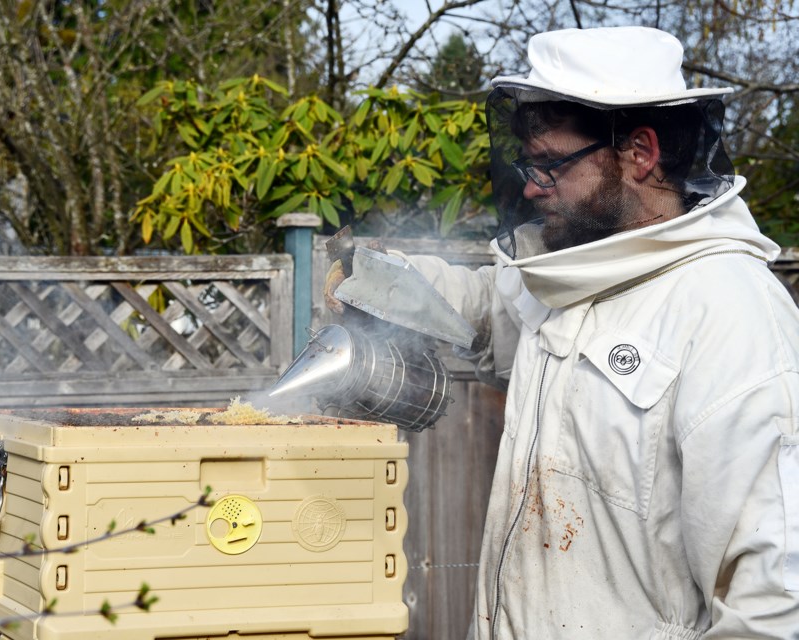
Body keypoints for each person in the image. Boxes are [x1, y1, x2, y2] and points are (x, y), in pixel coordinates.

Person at [324, 26, 799, 639]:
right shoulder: (578, 272)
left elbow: (776, 602)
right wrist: (380, 280)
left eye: (550, 164)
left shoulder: (732, 317)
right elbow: (483, 309)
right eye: (529, 163)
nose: (528, 186)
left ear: (640, 153)